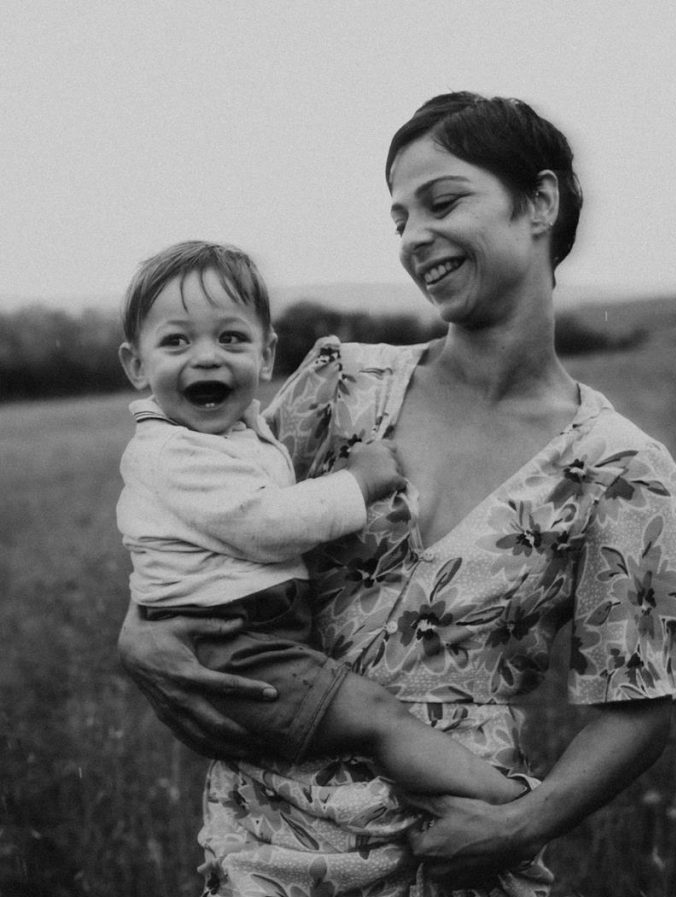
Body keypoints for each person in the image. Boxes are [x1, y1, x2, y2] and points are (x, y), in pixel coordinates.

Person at [118, 93, 676, 897]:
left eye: (441, 201)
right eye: (398, 216)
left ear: (537, 204)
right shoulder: (341, 384)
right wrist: (138, 632)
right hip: (275, 838)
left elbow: (642, 703)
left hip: (455, 843)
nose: (414, 236)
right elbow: (202, 521)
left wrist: (518, 824)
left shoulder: (624, 470)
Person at [116, 239, 528, 802]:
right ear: (137, 365)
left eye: (231, 337)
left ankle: (465, 801)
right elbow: (265, 524)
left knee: (368, 733)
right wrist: (357, 482)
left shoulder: (235, 434)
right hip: (231, 644)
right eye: (176, 341)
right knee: (380, 719)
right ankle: (512, 804)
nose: (207, 356)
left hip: (253, 634)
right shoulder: (169, 452)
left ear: (265, 357)